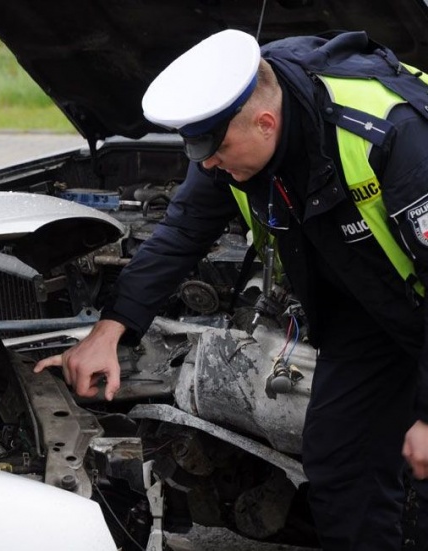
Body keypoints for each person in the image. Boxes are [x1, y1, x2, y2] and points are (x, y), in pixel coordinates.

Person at [35, 29, 428, 550]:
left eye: (217, 153)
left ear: (266, 123)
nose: (210, 166)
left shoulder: (391, 135)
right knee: (339, 464)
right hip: (363, 311)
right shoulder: (231, 134)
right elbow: (182, 231)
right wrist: (110, 330)